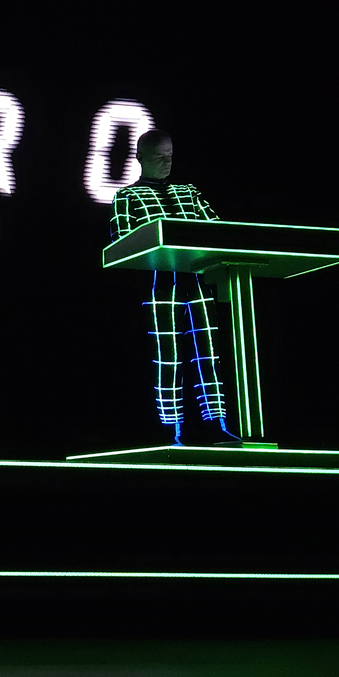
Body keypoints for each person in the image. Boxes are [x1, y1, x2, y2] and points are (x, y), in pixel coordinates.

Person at [110, 130, 238, 445]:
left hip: (196, 281)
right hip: (159, 285)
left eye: (170, 155)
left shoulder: (189, 192)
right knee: (167, 356)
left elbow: (218, 230)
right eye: (159, 156)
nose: (167, 162)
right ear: (141, 157)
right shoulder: (127, 197)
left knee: (208, 353)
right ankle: (170, 427)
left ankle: (215, 422)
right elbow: (122, 243)